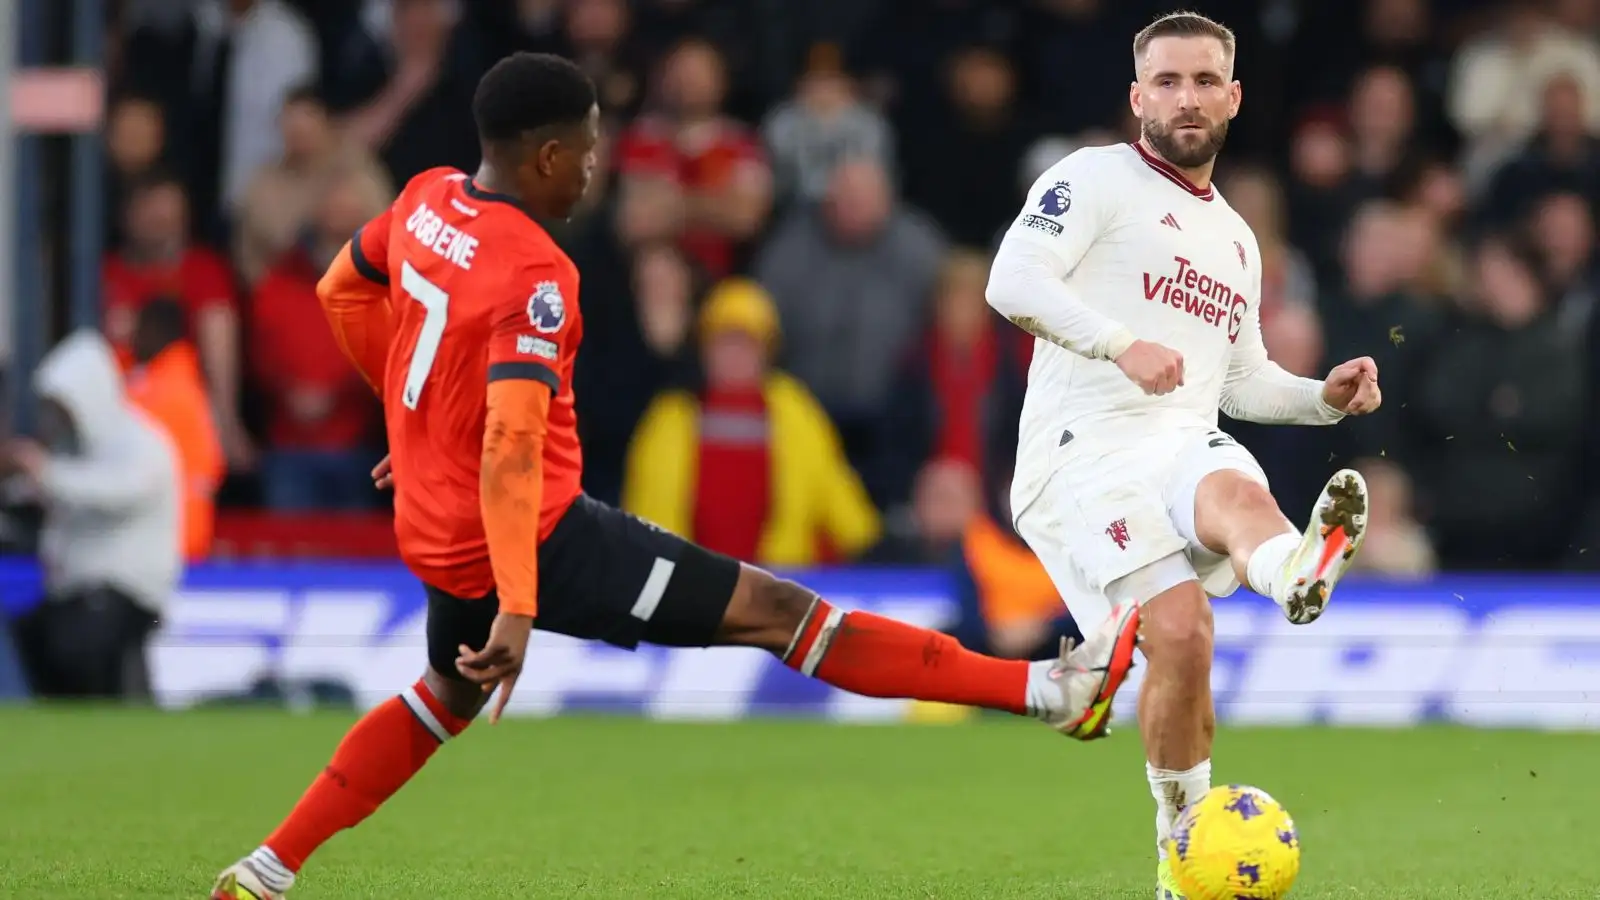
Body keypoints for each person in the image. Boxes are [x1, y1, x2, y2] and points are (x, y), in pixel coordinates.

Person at [210, 53, 1141, 900]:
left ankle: (267, 867)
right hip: (533, 538)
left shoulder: (424, 199)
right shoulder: (537, 273)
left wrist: (417, 422)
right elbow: (511, 452)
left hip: (441, 532)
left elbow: (344, 284)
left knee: (440, 695)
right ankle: (1046, 694)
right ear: (543, 157)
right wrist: (521, 605)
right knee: (781, 614)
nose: (596, 167)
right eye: (586, 149)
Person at [984, 13, 1383, 900]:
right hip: (1080, 455)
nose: (1186, 97)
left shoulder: (1238, 240)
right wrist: (1120, 342)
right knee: (1180, 631)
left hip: (1179, 439)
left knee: (1237, 486)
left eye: (1205, 81)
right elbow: (1010, 280)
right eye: (1167, 81)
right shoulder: (1091, 178)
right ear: (1138, 97)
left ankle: (1293, 570)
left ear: (1234, 97)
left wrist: (1322, 397)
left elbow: (1240, 383)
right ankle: (1180, 852)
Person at [4, 331, 180, 700]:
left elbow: (113, 493)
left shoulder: (145, 444)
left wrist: (43, 473)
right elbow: (50, 492)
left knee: (76, 641)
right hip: (73, 591)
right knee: (28, 634)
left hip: (126, 592)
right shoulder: (74, 450)